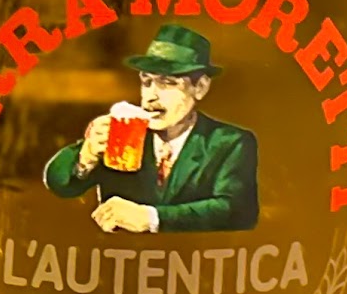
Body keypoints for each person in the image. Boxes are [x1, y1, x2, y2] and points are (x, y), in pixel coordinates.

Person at [42, 23, 258, 232]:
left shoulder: (228, 142)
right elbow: (59, 184)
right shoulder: (125, 133)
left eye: (167, 83)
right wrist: (85, 157)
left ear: (200, 87)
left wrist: (151, 218)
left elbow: (237, 211)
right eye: (146, 82)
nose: (150, 97)